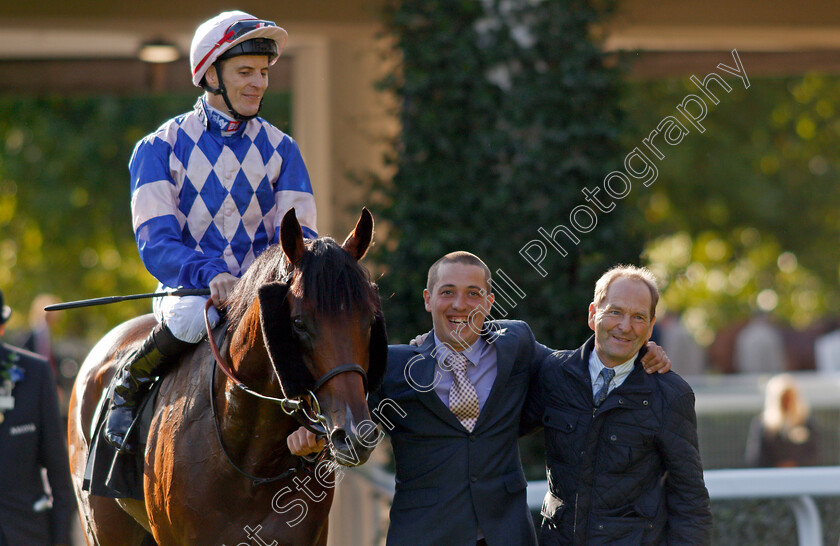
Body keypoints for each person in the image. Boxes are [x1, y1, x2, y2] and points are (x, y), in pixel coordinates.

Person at [288, 252, 671, 545]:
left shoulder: (516, 345)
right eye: (447, 292)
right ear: (427, 299)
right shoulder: (390, 365)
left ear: (489, 302)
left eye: (473, 293)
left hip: (506, 534)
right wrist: (312, 439)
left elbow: (573, 369)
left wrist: (638, 352)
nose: (460, 305)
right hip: (423, 536)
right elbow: (350, 426)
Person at [105, 10, 318, 452]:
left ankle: (327, 429)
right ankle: (130, 383)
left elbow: (302, 239)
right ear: (210, 74)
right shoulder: (158, 148)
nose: (258, 82)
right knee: (188, 317)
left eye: (262, 72)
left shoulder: (284, 149)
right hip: (191, 292)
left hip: (263, 295)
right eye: (245, 72)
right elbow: (155, 241)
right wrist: (208, 275)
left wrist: (263, 282)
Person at [521, 265, 712, 544]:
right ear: (592, 314)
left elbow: (690, 502)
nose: (625, 326)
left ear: (650, 327)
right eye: (615, 312)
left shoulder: (670, 395)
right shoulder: (553, 374)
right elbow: (500, 430)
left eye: (638, 317)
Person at [0, 289, 75, 546]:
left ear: (2, 327)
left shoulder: (35, 374)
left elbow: (58, 474)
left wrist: (61, 538)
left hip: (25, 532)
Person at [745, 373, 820, 468]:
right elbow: (756, 457)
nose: (787, 402)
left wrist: (795, 465)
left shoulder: (806, 423)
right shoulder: (764, 425)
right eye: (784, 399)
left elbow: (814, 454)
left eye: (790, 398)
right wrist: (777, 466)